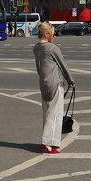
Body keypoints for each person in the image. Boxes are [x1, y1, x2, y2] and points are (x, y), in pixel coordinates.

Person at [34, 22, 75, 154]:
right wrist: (70, 81)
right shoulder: (52, 48)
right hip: (55, 84)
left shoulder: (36, 47)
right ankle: (48, 143)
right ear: (46, 34)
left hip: (43, 83)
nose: (54, 36)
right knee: (55, 115)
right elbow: (63, 65)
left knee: (47, 114)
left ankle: (48, 142)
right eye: (52, 34)